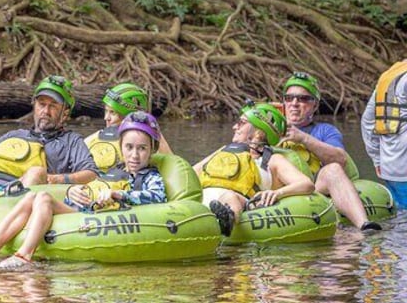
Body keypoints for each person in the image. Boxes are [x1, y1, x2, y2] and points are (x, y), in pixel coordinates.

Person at [0, 112, 166, 269]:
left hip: (99, 218)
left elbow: (157, 197)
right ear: (121, 147)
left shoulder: (150, 176)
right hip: (85, 211)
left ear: (152, 150)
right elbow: (93, 189)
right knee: (33, 196)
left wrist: (119, 194)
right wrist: (73, 192)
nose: (135, 155)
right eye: (129, 147)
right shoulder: (114, 171)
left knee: (45, 200)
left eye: (142, 148)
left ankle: (24, 255)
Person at [0, 75, 97, 190]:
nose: (45, 111)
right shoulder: (14, 135)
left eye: (53, 106)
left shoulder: (71, 141)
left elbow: (91, 174)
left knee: (36, 172)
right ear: (34, 106)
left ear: (65, 113)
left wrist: (56, 179)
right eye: (41, 104)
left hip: (19, 196)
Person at [278, 72, 381, 230]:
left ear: (315, 105)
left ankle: (364, 226)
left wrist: (303, 138)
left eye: (303, 98)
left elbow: (340, 160)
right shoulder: (269, 128)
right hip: (280, 189)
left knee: (332, 170)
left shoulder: (325, 131)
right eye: (289, 98)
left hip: (313, 187)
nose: (295, 103)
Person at [193, 102, 315, 237]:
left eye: (241, 123)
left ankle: (227, 220)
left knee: (231, 197)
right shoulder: (223, 150)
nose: (234, 127)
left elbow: (306, 184)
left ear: (258, 132)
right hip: (201, 201)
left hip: (238, 200)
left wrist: (278, 193)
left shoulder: (272, 160)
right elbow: (191, 173)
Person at [84, 83, 172, 172]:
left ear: (128, 116)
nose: (106, 118)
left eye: (112, 113)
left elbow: (171, 166)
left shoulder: (151, 141)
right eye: (106, 111)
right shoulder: (92, 140)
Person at [361, 60, 407, 209]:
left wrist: (377, 159)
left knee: (401, 219)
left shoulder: (389, 76)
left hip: (391, 167)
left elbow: (367, 122)